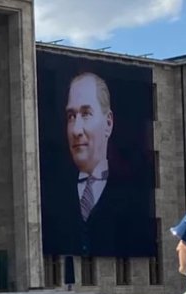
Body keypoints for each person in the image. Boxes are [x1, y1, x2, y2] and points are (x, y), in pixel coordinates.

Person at [42, 71, 145, 257]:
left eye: (86, 114)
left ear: (108, 123)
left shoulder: (133, 194)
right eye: (71, 116)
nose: (76, 130)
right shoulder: (51, 195)